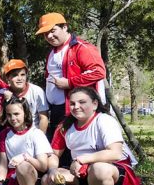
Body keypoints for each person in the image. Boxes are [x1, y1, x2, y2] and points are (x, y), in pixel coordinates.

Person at [41, 87, 143, 185]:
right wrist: (53, 169)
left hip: (112, 172)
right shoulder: (65, 126)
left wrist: (82, 159)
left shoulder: (104, 120)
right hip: (81, 174)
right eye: (72, 103)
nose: (76, 107)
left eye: (82, 102)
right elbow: (54, 154)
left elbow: (115, 153)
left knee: (99, 168)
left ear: (95, 104)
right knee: (47, 181)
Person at [36, 12, 106, 141]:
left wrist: (70, 83)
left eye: (52, 31)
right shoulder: (51, 52)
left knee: (75, 151)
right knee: (58, 152)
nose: (49, 36)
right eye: (45, 34)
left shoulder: (81, 47)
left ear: (65, 27)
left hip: (75, 110)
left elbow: (98, 72)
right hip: (56, 111)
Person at [0, 98, 52, 185]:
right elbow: (3, 164)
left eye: (17, 114)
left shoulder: (36, 134)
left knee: (22, 166)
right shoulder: (4, 134)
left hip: (33, 178)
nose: (13, 118)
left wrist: (25, 157)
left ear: (25, 113)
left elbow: (43, 166)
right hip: (12, 180)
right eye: (9, 115)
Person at [0, 59, 49, 132]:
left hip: (33, 132)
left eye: (22, 74)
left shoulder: (36, 91)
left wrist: (40, 138)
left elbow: (43, 118)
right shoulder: (4, 93)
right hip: (13, 134)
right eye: (15, 75)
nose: (20, 78)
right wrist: (5, 102)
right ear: (8, 78)